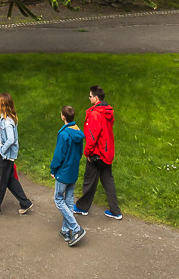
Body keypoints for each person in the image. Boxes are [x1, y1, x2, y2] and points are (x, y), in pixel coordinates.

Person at [74, 85, 122, 220]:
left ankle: (82, 207)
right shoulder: (107, 111)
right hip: (107, 152)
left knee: (89, 180)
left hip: (97, 154)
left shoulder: (95, 114)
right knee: (108, 180)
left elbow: (92, 137)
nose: (89, 98)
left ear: (96, 98)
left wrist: (88, 153)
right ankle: (115, 211)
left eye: (90, 96)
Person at [0, 93, 33, 215]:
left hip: (5, 155)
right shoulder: (6, 118)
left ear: (2, 104)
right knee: (10, 180)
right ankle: (25, 203)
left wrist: (2, 149)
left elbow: (11, 139)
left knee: (0, 181)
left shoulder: (7, 122)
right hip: (8, 155)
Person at [50, 105, 86, 246]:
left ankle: (76, 228)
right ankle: (65, 230)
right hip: (73, 171)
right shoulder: (78, 132)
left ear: (63, 117)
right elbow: (80, 153)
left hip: (63, 172)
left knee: (58, 199)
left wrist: (53, 169)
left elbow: (59, 155)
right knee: (69, 200)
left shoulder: (64, 134)